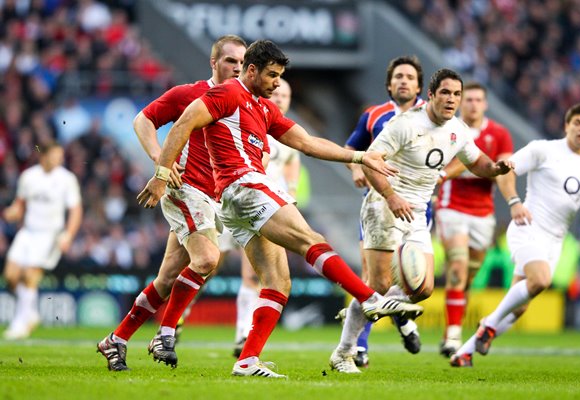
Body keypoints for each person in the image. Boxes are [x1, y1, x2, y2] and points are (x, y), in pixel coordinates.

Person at [137, 39, 423, 378]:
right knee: (309, 239)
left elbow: (307, 143)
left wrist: (360, 156)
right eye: (272, 75)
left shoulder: (264, 108)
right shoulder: (228, 94)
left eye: (279, 76)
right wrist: (161, 172)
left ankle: (247, 361)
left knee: (277, 282)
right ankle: (368, 298)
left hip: (234, 199)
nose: (277, 83)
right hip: (244, 186)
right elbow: (184, 123)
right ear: (252, 70)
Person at [329, 68, 514, 374]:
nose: (452, 99)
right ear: (430, 95)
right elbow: (372, 162)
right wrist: (391, 197)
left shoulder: (457, 129)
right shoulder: (406, 124)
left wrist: (496, 169)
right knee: (376, 285)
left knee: (423, 288)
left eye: (457, 94)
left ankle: (370, 310)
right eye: (445, 93)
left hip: (416, 212)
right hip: (383, 204)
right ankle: (344, 352)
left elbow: (477, 161)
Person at [97, 35, 247, 371]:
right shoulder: (189, 94)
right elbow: (142, 120)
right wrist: (159, 160)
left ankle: (116, 340)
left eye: (241, 63)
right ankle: (166, 333)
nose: (236, 68)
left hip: (216, 200)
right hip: (186, 191)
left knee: (166, 280)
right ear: (214, 63)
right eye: (229, 61)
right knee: (208, 258)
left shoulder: (244, 103)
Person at [450, 103, 580, 368]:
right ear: (566, 126)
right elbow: (505, 170)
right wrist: (514, 202)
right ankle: (489, 327)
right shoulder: (543, 149)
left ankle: (465, 351)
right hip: (528, 227)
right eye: (577, 122)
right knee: (541, 279)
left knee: (518, 308)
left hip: (554, 242)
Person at [344, 55, 427, 367]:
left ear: (419, 85)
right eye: (398, 77)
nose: (403, 81)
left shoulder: (431, 117)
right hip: (378, 204)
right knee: (372, 278)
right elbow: (353, 148)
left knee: (413, 280)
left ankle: (401, 318)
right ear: (389, 84)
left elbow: (460, 149)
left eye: (409, 77)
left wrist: (445, 173)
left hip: (418, 206)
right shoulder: (373, 115)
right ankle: (360, 346)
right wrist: (355, 169)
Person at [435, 82, 513, 357]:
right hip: (451, 206)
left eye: (478, 100)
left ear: (485, 104)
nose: (472, 104)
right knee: (457, 268)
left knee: (467, 278)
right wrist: (476, 166)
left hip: (483, 213)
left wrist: (512, 199)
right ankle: (453, 338)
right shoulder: (447, 129)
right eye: (467, 99)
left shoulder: (499, 134)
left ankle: (450, 328)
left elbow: (503, 170)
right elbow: (440, 168)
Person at [233, 78, 301, 357]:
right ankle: (177, 320)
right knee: (210, 264)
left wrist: (292, 196)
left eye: (286, 94)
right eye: (278, 92)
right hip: (244, 202)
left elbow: (292, 169)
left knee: (260, 275)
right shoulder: (253, 122)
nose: (281, 98)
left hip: (271, 210)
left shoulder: (287, 135)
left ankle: (244, 336)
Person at [2, 142, 82, 340]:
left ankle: (21, 322)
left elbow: (75, 210)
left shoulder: (66, 179)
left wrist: (68, 235)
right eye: (56, 155)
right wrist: (12, 212)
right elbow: (20, 205)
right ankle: (30, 313)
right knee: (11, 276)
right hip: (28, 232)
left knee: (29, 275)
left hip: (50, 234)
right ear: (43, 156)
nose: (60, 159)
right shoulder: (29, 176)